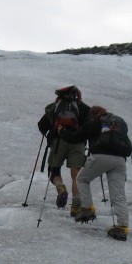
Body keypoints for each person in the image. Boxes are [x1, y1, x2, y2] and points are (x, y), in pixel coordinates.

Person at [58, 106, 132, 241]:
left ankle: (88, 208)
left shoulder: (95, 122)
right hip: (120, 161)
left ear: (93, 115)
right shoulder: (119, 123)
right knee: (118, 195)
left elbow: (76, 138)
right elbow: (129, 148)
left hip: (100, 156)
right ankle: (123, 227)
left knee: (81, 179)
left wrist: (62, 132)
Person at [37, 86, 91, 216]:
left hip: (59, 141)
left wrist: (50, 133)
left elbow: (41, 125)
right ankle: (76, 204)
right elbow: (90, 126)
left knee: (53, 170)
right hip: (77, 142)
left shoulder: (55, 106)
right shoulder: (83, 107)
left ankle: (61, 188)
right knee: (76, 176)